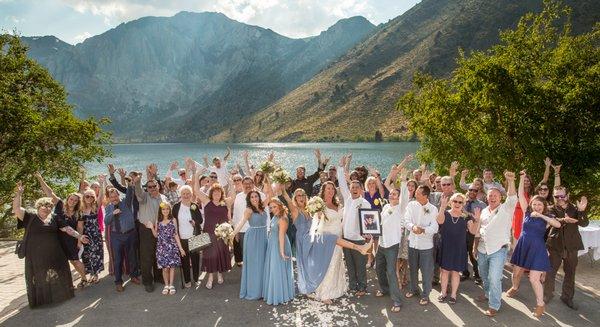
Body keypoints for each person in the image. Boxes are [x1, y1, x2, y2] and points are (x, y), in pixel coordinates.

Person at [13, 182, 90, 308]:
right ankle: (41, 299)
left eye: (49, 206)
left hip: (54, 252)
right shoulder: (30, 216)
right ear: (38, 207)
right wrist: (19, 194)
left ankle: (57, 296)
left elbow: (67, 229)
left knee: (56, 273)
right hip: (35, 254)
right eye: (43, 206)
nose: (46, 208)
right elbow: (16, 208)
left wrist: (79, 236)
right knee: (38, 275)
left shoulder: (54, 217)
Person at [507, 171, 561, 317]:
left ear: (543, 206)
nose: (536, 206)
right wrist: (522, 178)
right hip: (523, 245)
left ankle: (540, 305)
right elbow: (520, 194)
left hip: (537, 249)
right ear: (531, 204)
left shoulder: (547, 216)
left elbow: (557, 225)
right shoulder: (526, 212)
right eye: (534, 204)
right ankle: (514, 287)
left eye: (539, 205)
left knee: (533, 278)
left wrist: (541, 215)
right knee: (516, 272)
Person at [34, 172, 88, 288]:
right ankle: (65, 283)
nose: (72, 201)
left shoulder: (79, 213)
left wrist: (79, 240)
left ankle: (84, 278)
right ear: (67, 198)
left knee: (75, 261)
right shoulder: (59, 205)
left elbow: (80, 227)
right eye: (71, 199)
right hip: (56, 238)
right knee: (60, 262)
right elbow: (49, 192)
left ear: (78, 202)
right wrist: (40, 179)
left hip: (71, 239)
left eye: (75, 200)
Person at [474, 171, 517, 317]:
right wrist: (475, 248)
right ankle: (487, 294)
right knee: (484, 275)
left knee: (494, 277)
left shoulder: (506, 208)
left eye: (495, 196)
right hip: (482, 249)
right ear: (486, 197)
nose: (492, 198)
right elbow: (479, 231)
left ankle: (494, 305)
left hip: (498, 250)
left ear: (501, 197)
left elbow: (512, 197)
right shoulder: (484, 211)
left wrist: (511, 181)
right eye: (490, 195)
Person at [544, 185, 588, 310]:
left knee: (570, 273)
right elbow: (553, 220)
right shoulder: (550, 208)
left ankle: (567, 297)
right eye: (556, 196)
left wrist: (582, 211)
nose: (559, 198)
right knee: (550, 272)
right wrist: (564, 220)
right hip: (555, 245)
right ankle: (547, 295)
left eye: (562, 196)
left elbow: (584, 223)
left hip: (572, 246)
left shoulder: (575, 208)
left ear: (567, 195)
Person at [193, 168, 234, 289]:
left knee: (221, 253)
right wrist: (197, 175)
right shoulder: (206, 201)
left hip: (222, 234)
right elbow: (195, 190)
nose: (217, 194)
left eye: (219, 192)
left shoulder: (225, 203)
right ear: (211, 193)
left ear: (222, 193)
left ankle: (220, 274)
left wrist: (230, 182)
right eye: (214, 192)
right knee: (209, 255)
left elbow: (233, 194)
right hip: (208, 232)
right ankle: (210, 277)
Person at [436, 193, 480, 304]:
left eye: (460, 202)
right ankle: (443, 292)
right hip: (446, 246)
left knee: (456, 272)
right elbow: (439, 221)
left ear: (463, 204)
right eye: (455, 201)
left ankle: (453, 294)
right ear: (450, 202)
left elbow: (473, 232)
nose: (457, 204)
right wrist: (442, 207)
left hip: (459, 248)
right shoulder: (445, 213)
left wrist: (477, 220)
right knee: (445, 271)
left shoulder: (466, 217)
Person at [338, 155, 372, 296]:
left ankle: (362, 287)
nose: (354, 189)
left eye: (357, 187)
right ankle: (353, 286)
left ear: (361, 189)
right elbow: (341, 183)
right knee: (350, 266)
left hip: (359, 239)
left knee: (360, 266)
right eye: (352, 187)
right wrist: (341, 167)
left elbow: (369, 222)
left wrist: (368, 236)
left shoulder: (365, 203)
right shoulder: (347, 199)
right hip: (346, 239)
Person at [376, 169, 410, 313]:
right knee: (378, 268)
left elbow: (405, 197)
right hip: (381, 244)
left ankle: (397, 300)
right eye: (390, 194)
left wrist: (403, 181)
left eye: (394, 194)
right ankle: (384, 289)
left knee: (391, 271)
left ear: (399, 197)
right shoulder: (386, 207)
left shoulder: (401, 208)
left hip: (392, 245)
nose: (391, 195)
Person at [404, 185, 439, 306]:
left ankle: (425, 295)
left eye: (418, 193)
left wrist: (423, 230)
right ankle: (414, 289)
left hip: (426, 246)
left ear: (425, 196)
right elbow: (406, 220)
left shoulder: (433, 209)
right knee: (412, 269)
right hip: (412, 243)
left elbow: (435, 227)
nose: (415, 195)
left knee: (426, 271)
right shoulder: (411, 205)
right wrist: (413, 227)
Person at [233, 190, 270, 300]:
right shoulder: (248, 210)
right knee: (255, 264)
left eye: (256, 196)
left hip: (263, 237)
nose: (254, 198)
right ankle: (255, 291)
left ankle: (263, 290)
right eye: (252, 197)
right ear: (249, 199)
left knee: (263, 263)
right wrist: (233, 234)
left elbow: (270, 194)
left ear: (259, 197)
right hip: (253, 238)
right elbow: (241, 222)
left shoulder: (263, 206)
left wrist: (268, 177)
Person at [105, 186, 142, 292]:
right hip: (116, 236)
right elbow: (106, 222)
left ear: (118, 195)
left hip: (130, 234)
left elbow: (130, 192)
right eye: (111, 197)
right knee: (118, 260)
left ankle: (134, 276)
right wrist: (112, 214)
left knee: (132, 256)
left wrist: (130, 183)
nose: (114, 198)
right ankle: (118, 282)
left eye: (115, 196)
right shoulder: (108, 207)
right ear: (109, 198)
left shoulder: (126, 202)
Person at [134, 173, 167, 292]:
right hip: (146, 230)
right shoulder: (144, 197)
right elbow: (138, 192)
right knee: (146, 257)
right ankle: (148, 281)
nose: (152, 188)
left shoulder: (163, 197)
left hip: (160, 229)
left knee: (158, 254)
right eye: (149, 187)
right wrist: (137, 182)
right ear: (147, 189)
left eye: (154, 186)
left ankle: (158, 277)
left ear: (158, 186)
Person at [147, 202, 185, 295]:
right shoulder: (158, 221)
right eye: (163, 209)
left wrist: (180, 248)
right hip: (161, 247)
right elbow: (156, 235)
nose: (165, 211)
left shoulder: (173, 220)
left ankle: (171, 285)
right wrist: (152, 227)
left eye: (167, 209)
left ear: (170, 210)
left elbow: (175, 234)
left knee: (172, 267)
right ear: (161, 210)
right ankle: (166, 285)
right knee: (165, 268)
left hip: (172, 246)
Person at [262, 198, 295, 305]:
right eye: (271, 208)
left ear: (280, 205)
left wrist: (281, 252)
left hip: (279, 245)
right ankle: (275, 293)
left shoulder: (283, 219)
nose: (273, 209)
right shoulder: (276, 216)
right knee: (273, 269)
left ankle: (279, 295)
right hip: (273, 245)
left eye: (275, 206)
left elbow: (281, 236)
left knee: (277, 269)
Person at [232, 176, 267, 267]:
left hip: (261, 232)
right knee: (248, 256)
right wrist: (236, 233)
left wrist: (268, 228)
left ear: (253, 184)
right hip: (243, 232)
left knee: (262, 255)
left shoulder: (261, 195)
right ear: (242, 185)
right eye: (245, 183)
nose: (248, 185)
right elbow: (235, 215)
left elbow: (265, 213)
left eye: (250, 183)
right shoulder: (238, 197)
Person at [172, 185, 203, 288]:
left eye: (188, 193)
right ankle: (187, 280)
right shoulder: (176, 207)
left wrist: (195, 223)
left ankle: (196, 278)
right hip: (182, 238)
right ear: (180, 195)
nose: (186, 195)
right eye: (184, 194)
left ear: (191, 195)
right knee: (184, 260)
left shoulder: (194, 206)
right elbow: (173, 221)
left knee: (195, 259)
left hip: (194, 236)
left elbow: (200, 220)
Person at [79, 177, 106, 285]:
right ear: (84, 197)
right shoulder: (80, 209)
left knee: (96, 253)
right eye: (87, 196)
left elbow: (102, 195)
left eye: (91, 196)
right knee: (86, 255)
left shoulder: (95, 207)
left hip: (95, 234)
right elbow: (80, 226)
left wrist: (101, 183)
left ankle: (95, 274)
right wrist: (79, 238)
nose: (89, 198)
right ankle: (90, 273)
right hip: (85, 235)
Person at [462, 185, 487, 284]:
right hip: (462, 231)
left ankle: (477, 275)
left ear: (478, 192)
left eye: (475, 190)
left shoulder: (482, 205)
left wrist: (468, 214)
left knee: (473, 254)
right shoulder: (462, 202)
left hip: (474, 232)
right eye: (470, 190)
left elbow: (482, 219)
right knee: (463, 253)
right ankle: (465, 273)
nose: (472, 192)